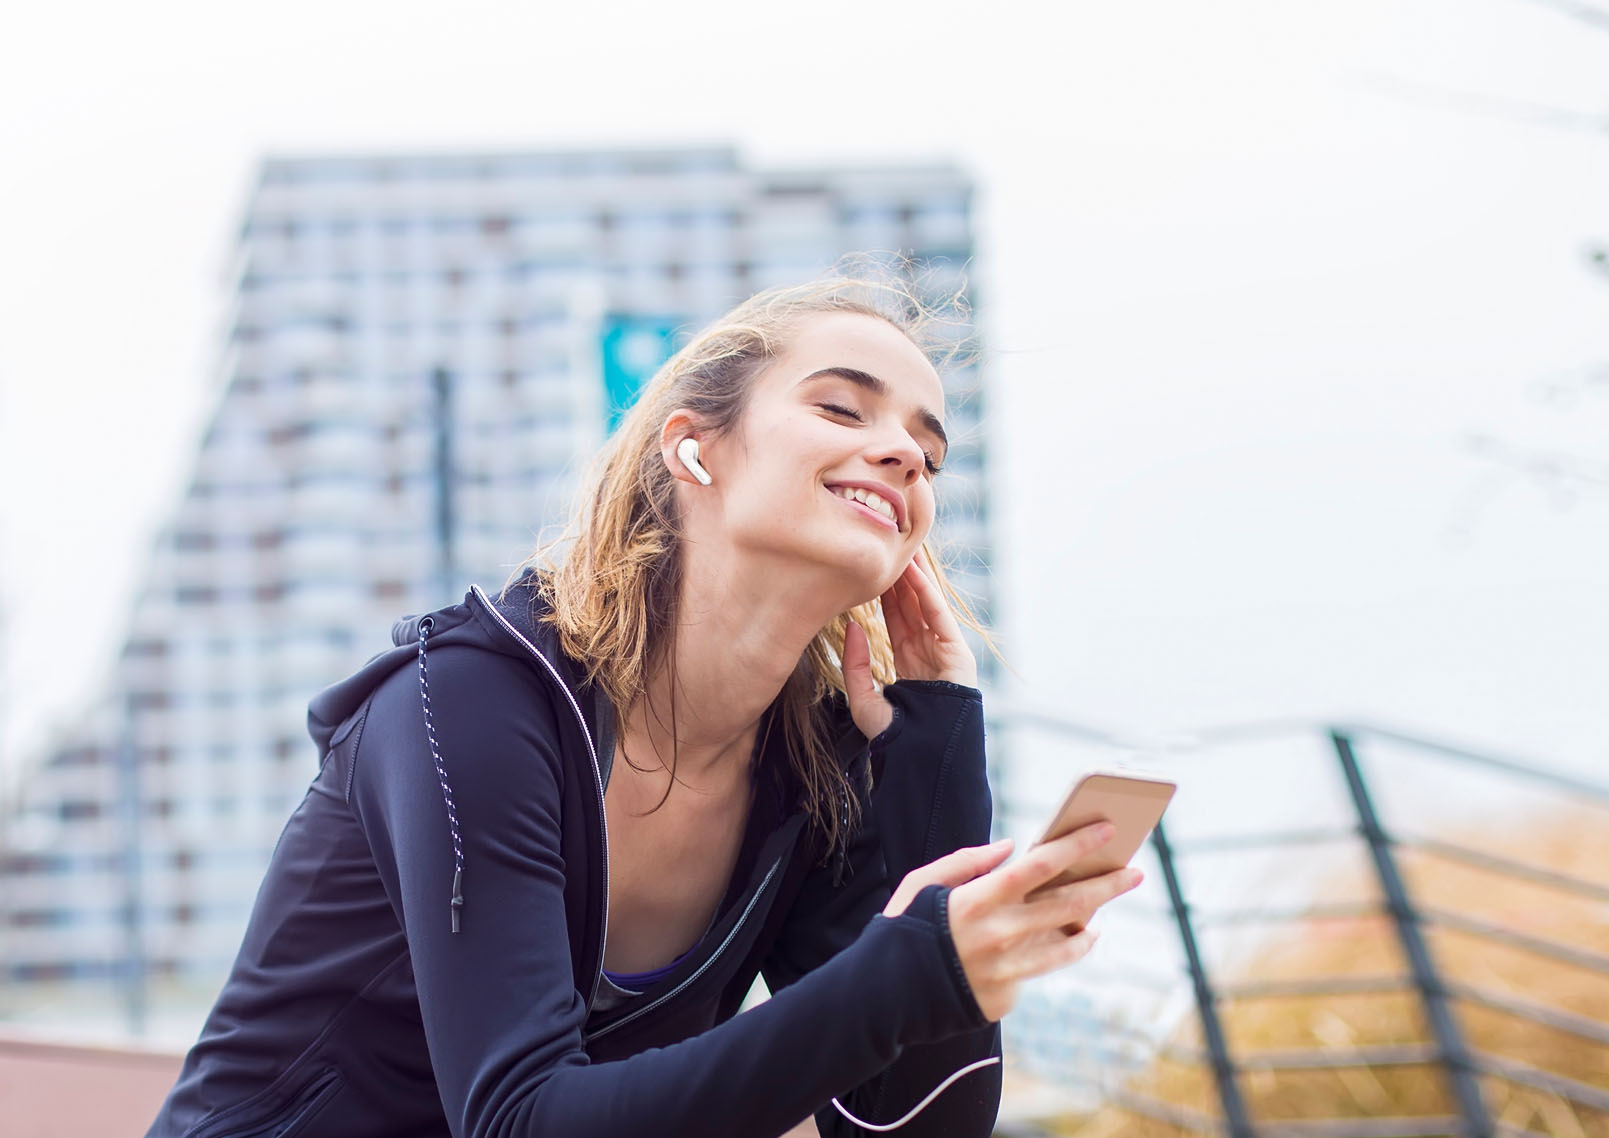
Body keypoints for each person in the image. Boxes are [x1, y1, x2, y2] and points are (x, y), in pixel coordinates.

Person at [144, 264, 1143, 1138]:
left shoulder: (812, 781)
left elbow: (911, 1128)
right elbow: (521, 1120)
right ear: (695, 449)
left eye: (930, 453)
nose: (904, 457)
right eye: (844, 410)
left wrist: (937, 753)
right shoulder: (470, 703)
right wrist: (913, 972)